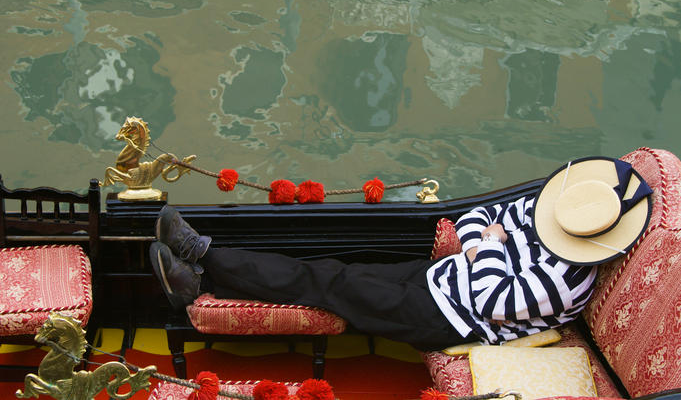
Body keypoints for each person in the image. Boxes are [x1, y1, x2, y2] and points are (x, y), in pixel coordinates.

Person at [149, 156, 653, 351]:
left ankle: (203, 258)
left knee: (327, 283)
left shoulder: (570, 281)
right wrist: (486, 246)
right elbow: (474, 221)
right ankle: (203, 279)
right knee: (328, 272)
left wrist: (488, 248)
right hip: (440, 277)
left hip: (447, 321)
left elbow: (492, 300)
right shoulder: (552, 213)